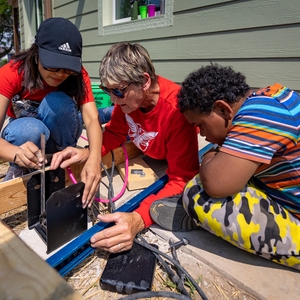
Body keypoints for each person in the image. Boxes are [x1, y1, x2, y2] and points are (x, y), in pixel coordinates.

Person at [50, 42, 199, 252]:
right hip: (153, 151)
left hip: (169, 158)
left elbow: (181, 178)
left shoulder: (176, 111)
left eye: (117, 91)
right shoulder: (126, 102)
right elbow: (113, 133)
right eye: (107, 90)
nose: (112, 99)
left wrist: (138, 219)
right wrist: (88, 152)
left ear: (145, 81)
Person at [152, 64, 300, 270]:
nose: (201, 134)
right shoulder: (269, 98)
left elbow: (216, 183)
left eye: (201, 125)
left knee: (198, 195)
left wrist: (213, 154)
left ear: (223, 109)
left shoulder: (260, 116)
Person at [0, 17, 102, 206]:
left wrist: (94, 158)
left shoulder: (80, 75)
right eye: (52, 66)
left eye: (68, 70)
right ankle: (22, 166)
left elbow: (91, 117)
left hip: (59, 134)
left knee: (57, 102)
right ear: (36, 53)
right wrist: (15, 153)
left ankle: (64, 162)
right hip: (28, 138)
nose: (60, 75)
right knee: (28, 130)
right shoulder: (11, 72)